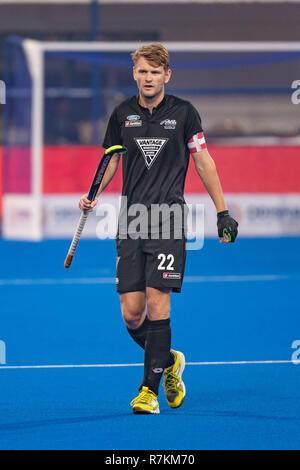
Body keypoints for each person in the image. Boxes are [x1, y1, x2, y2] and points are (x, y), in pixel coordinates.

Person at [79, 43, 238, 414]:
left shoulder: (184, 113)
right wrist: (94, 196)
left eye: (154, 72)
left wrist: (222, 212)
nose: (147, 78)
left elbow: (203, 162)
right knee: (132, 314)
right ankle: (169, 360)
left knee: (157, 301)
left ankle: (147, 391)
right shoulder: (122, 114)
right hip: (130, 221)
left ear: (167, 75)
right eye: (141, 71)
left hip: (168, 220)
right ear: (133, 73)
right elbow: (111, 164)